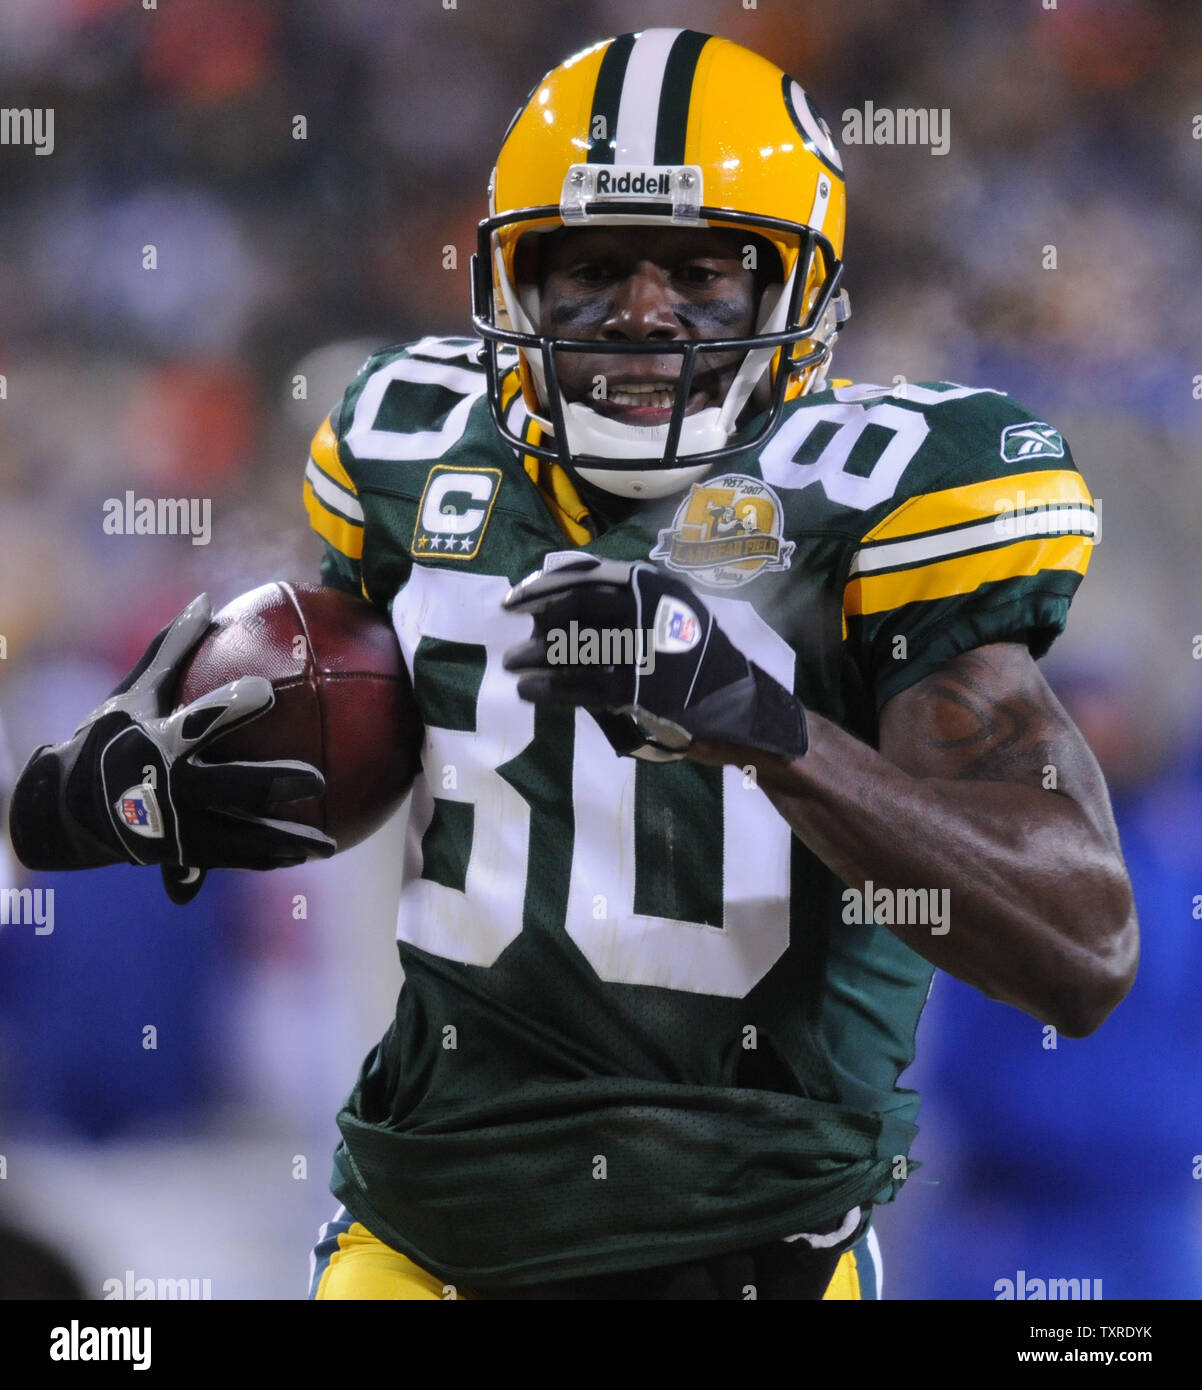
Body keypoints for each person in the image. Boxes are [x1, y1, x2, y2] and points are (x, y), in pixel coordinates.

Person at [7, 29, 1137, 1301]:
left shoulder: (889, 493)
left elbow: (1079, 950)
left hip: (744, 1244)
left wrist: (773, 730)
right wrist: (129, 786)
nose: (643, 310)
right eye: (588, 264)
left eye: (703, 270)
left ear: (795, 293)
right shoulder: (405, 445)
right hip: (419, 1222)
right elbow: (331, 732)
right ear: (513, 281)